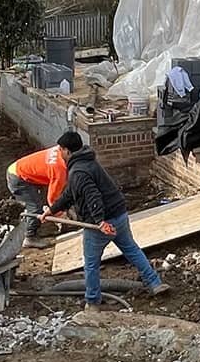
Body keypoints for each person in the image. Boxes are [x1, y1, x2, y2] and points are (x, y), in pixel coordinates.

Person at [52, 131, 169, 308]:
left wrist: (100, 222)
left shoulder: (78, 171)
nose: (59, 153)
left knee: (91, 264)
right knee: (132, 249)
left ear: (67, 151)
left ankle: (92, 301)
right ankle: (154, 283)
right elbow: (70, 193)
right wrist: (52, 210)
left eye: (60, 150)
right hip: (119, 215)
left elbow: (93, 197)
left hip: (101, 224)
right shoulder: (88, 162)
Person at [5, 142, 69, 249]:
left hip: (21, 170)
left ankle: (34, 223)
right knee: (35, 207)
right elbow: (52, 200)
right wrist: (61, 215)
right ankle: (29, 237)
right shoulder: (59, 170)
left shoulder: (60, 151)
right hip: (18, 178)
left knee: (42, 201)